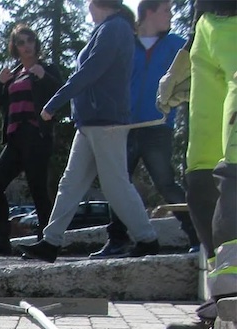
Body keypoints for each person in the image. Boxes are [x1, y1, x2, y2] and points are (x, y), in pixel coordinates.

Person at [19, 0, 161, 263]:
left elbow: (90, 71)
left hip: (106, 120)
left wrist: (54, 102)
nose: (87, 9)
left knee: (115, 184)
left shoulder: (115, 28)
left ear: (98, 4)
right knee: (70, 184)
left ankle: (147, 238)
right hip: (90, 121)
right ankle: (51, 242)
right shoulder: (108, 28)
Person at [91, 0, 198, 259]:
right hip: (122, 125)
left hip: (157, 126)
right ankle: (117, 240)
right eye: (166, 10)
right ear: (149, 12)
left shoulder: (177, 45)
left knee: (166, 183)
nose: (171, 15)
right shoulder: (124, 39)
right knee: (118, 183)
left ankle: (197, 236)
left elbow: (192, 76)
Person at [159, 0, 237, 329]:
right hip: (207, 28)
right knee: (201, 177)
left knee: (234, 172)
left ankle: (233, 322)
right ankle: (219, 313)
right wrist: (190, 47)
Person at [0, 24, 63, 256]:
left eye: (29, 41)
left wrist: (43, 76)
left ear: (36, 43)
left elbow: (63, 93)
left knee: (38, 190)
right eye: (20, 43)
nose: (26, 46)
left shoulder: (46, 69)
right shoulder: (13, 74)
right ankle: (1, 241)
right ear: (15, 48)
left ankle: (45, 243)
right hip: (15, 138)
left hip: (37, 135)